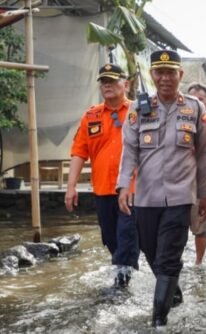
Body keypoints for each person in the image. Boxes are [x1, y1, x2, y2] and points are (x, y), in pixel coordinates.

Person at [117, 50, 206, 327]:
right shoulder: (138, 108)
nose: (166, 78)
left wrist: (204, 194)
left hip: (181, 197)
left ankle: (158, 322)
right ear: (152, 75)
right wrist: (123, 186)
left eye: (171, 72)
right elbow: (130, 150)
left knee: (169, 257)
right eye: (160, 72)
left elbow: (205, 154)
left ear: (180, 75)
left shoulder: (194, 108)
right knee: (150, 251)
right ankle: (174, 294)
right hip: (146, 196)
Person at [66, 63, 139, 287]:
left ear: (125, 84)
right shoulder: (91, 116)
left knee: (127, 235)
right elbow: (79, 152)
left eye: (113, 81)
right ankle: (125, 273)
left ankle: (120, 285)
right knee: (110, 238)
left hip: (133, 190)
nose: (107, 85)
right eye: (103, 82)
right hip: (103, 190)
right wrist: (71, 187)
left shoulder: (139, 111)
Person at [186, 82, 206, 265]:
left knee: (201, 225)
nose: (197, 102)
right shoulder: (179, 121)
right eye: (193, 98)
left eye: (201, 99)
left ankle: (199, 261)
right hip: (181, 182)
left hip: (203, 182)